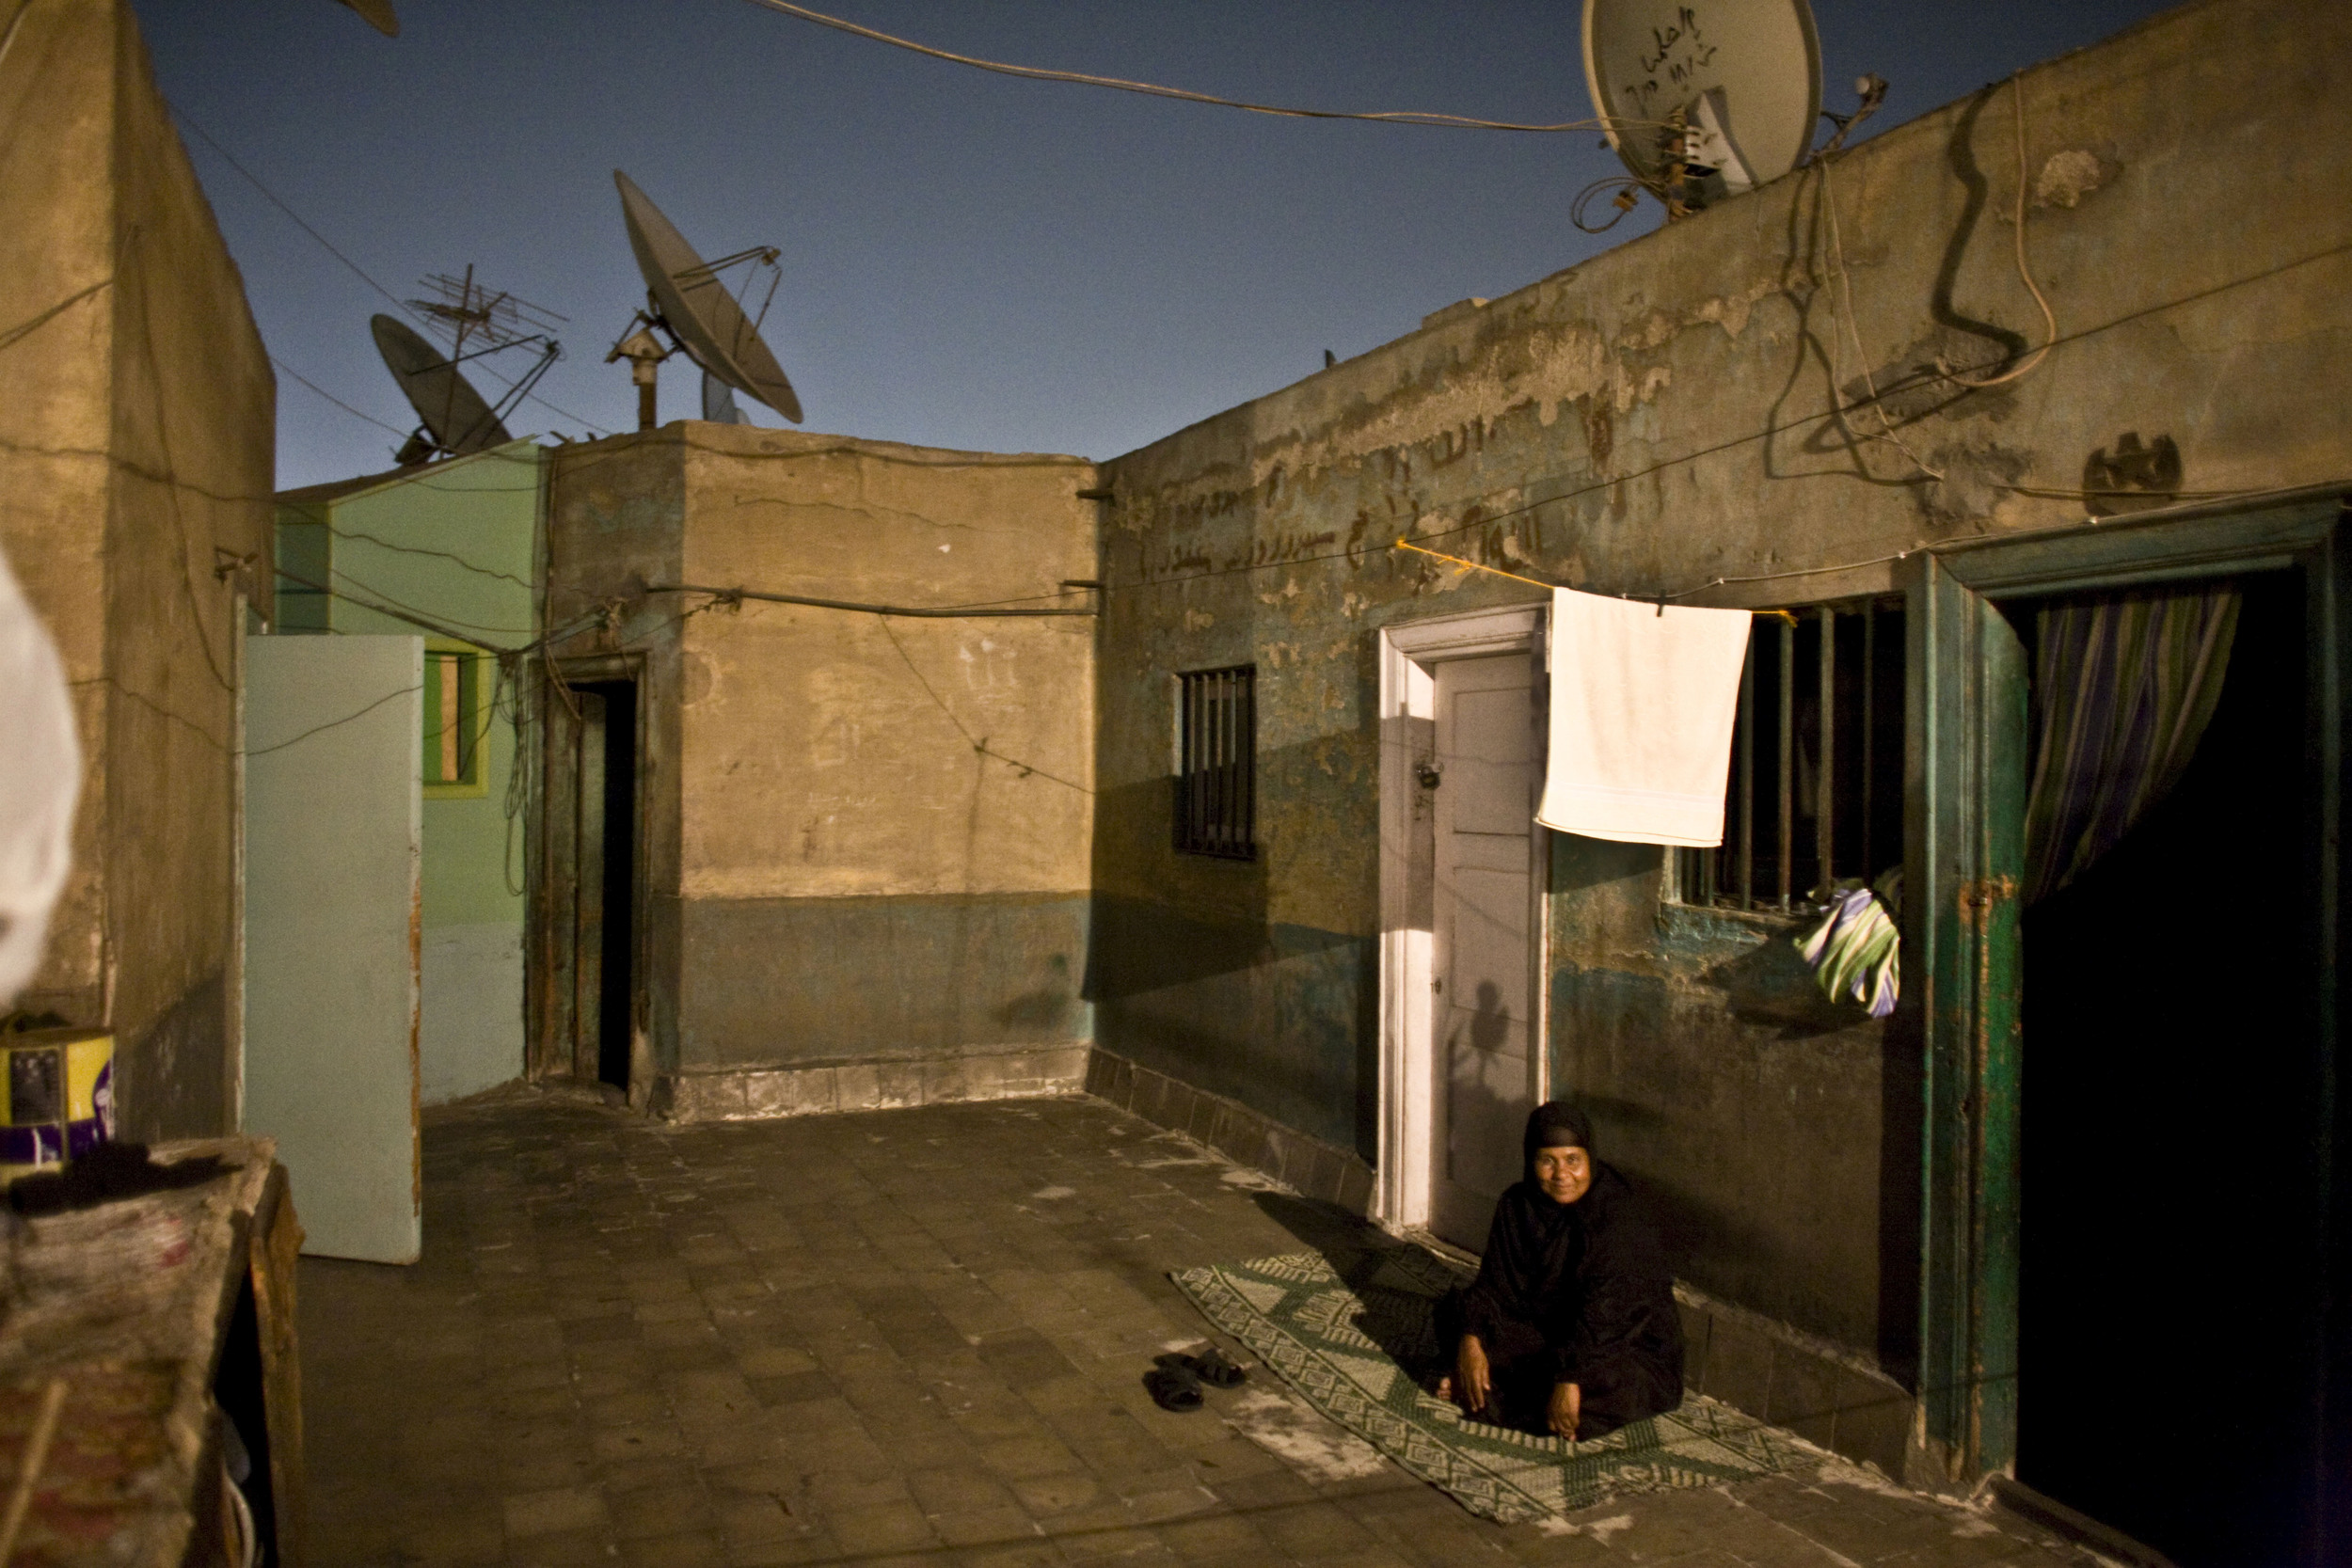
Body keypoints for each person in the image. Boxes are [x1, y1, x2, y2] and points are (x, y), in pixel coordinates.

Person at [1434, 1101, 1683, 1440]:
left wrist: (1571, 1378)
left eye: (1573, 1161)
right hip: (1549, 1333)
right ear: (1530, 1160)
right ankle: (1504, 1390)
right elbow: (1493, 1288)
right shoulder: (1517, 1206)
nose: (1561, 1175)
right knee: (1454, 1316)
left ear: (1590, 1159)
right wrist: (1471, 1341)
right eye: (1547, 1161)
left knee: (1613, 1385)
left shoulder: (1618, 1219)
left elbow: (1609, 1318)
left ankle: (1493, 1393)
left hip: (1619, 1345)